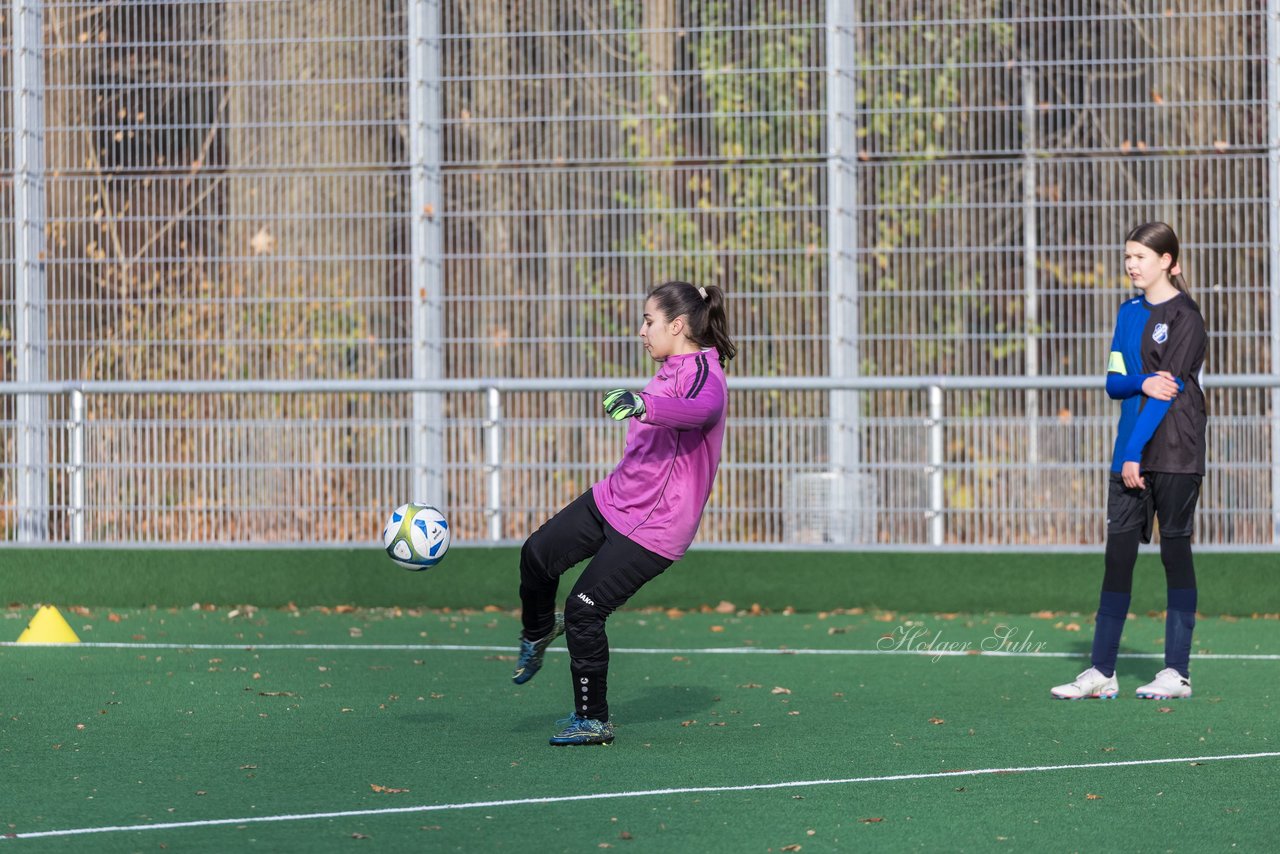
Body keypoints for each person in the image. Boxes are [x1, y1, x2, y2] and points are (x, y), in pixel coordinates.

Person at [511, 280, 736, 745]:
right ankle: (536, 632)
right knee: (537, 554)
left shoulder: (704, 374)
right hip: (615, 498)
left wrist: (643, 404)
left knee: (585, 609)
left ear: (677, 325)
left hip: (656, 527)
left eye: (649, 321)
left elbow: (699, 410)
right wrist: (644, 402)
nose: (641, 331)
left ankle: (592, 719)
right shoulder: (670, 366)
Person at [1052, 222, 1207, 701]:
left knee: (1173, 552)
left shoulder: (1186, 317)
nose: (1131, 264)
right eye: (1127, 256)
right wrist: (1139, 384)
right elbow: (1115, 382)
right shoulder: (1128, 312)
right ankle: (1102, 671)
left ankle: (1176, 673)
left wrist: (1136, 451)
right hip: (1130, 453)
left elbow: (1168, 393)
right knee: (1117, 557)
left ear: (1168, 261)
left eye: (1141, 255)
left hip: (1174, 449)